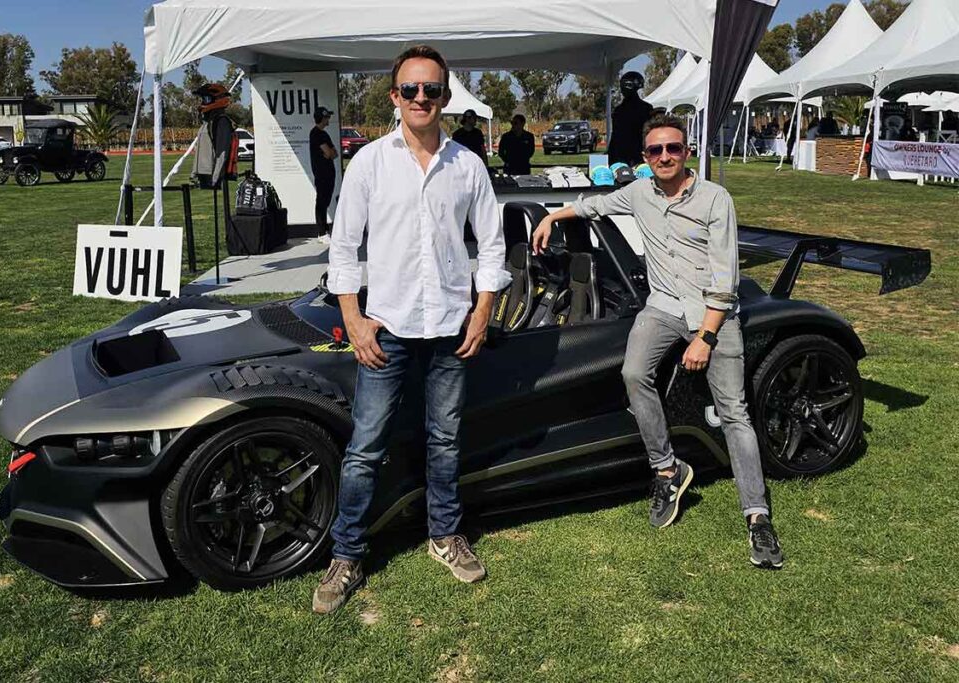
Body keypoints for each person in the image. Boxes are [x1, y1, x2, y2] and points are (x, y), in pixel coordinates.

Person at [530, 113, 783, 570]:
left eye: (673, 148)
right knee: (632, 373)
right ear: (645, 158)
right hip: (664, 305)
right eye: (655, 151)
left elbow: (726, 281)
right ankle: (667, 470)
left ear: (687, 151)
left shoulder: (714, 199)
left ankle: (757, 515)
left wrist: (705, 337)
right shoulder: (639, 193)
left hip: (712, 309)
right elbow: (594, 206)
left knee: (734, 411)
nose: (665, 156)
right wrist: (552, 215)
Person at [315, 45, 510, 614]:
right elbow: (344, 248)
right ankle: (346, 554)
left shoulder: (467, 165)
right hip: (388, 329)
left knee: (445, 440)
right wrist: (353, 318)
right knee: (365, 447)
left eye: (432, 90)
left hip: (452, 327)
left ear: (445, 97)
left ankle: (445, 536)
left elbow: (492, 245)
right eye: (410, 90)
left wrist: (482, 309)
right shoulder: (370, 163)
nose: (421, 99)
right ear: (394, 96)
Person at [607, 71, 653, 166]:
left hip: (632, 154)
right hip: (627, 155)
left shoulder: (619, 110)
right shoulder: (646, 108)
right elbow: (616, 135)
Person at [310, 106, 339, 242]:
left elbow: (335, 154)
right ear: (322, 118)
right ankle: (321, 232)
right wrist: (329, 153)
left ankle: (325, 229)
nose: (329, 119)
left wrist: (329, 153)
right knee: (321, 201)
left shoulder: (325, 134)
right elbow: (329, 152)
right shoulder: (316, 134)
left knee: (326, 200)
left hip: (329, 173)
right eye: (327, 117)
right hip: (321, 174)